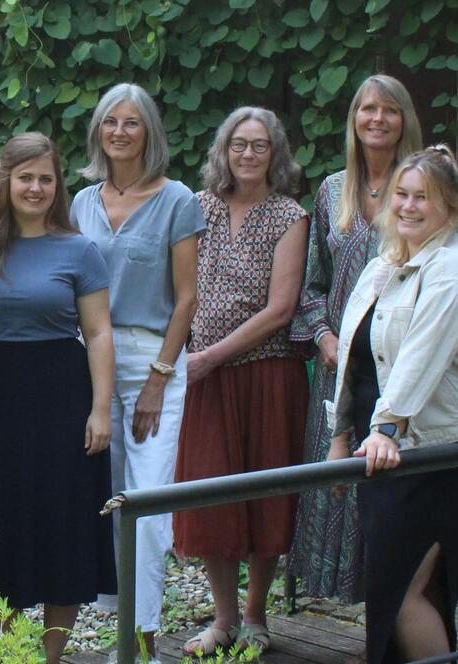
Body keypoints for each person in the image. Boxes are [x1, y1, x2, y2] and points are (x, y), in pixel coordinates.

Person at [0, 132, 116, 663]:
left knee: (63, 523)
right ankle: (7, 651)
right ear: (6, 180)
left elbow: (100, 333)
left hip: (63, 396)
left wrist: (101, 410)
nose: (35, 187)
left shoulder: (79, 249)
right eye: (25, 177)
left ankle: (51, 657)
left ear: (57, 185)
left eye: (45, 178)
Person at [327, 145, 458, 663]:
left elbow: (420, 358)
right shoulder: (387, 265)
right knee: (394, 591)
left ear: (450, 205)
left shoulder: (454, 270)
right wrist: (341, 436)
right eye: (401, 194)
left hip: (438, 450)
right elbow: (355, 360)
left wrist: (386, 428)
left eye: (422, 197)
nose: (407, 206)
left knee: (404, 592)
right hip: (385, 449)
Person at [70, 82, 206, 658]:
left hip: (153, 361)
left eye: (131, 122)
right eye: (110, 122)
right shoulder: (80, 202)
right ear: (98, 131)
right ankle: (119, 629)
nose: (119, 132)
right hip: (89, 364)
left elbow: (187, 299)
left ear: (149, 131)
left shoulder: (178, 200)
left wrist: (158, 377)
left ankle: (145, 641)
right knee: (105, 500)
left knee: (148, 506)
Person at [173, 107, 310, 656]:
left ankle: (256, 617)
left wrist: (209, 357)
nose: (248, 155)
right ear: (222, 152)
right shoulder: (196, 208)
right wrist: (185, 358)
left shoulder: (289, 216)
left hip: (267, 376)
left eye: (259, 145)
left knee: (266, 498)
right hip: (205, 378)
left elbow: (281, 310)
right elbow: (177, 289)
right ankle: (223, 619)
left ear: (274, 153)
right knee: (211, 498)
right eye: (238, 144)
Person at [287, 74, 423, 603]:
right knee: (337, 488)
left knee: (391, 499)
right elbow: (312, 282)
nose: (377, 119)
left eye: (390, 110)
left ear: (404, 119)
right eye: (368, 109)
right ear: (354, 119)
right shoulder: (330, 191)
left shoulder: (420, 191)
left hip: (399, 365)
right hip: (337, 368)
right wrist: (322, 335)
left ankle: (388, 631)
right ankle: (358, 627)